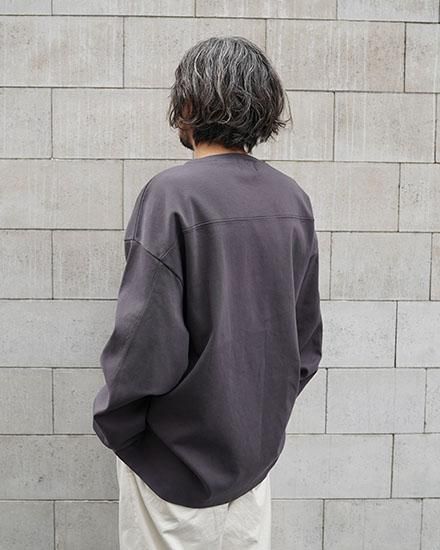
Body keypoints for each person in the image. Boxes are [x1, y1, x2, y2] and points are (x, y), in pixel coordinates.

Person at [92, 35, 323, 549]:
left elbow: (145, 339)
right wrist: (261, 423)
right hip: (253, 463)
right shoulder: (292, 201)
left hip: (169, 465)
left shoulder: (172, 195)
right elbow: (304, 345)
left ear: (188, 105)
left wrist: (120, 426)